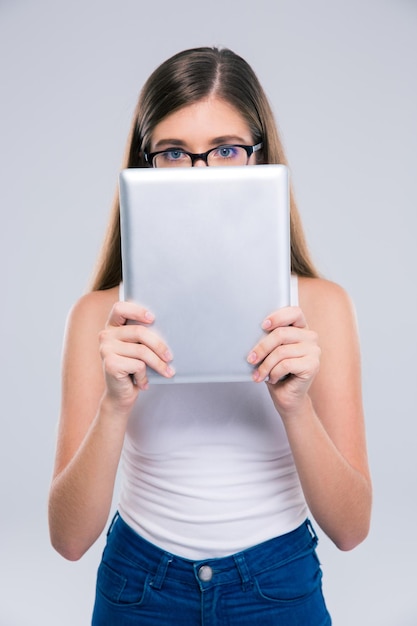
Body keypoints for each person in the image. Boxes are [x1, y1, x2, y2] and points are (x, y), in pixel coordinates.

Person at [48, 47, 372, 625]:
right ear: (144, 166)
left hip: (278, 585)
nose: (202, 175)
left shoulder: (323, 306)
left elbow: (351, 529)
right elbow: (69, 539)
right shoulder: (96, 315)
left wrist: (296, 407)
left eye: (226, 150)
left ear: (260, 158)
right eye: (173, 153)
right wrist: (114, 405)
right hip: (139, 587)